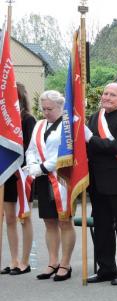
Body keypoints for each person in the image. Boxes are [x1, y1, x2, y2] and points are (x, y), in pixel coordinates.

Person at [85, 83, 117, 285]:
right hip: (97, 181)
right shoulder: (94, 117)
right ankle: (106, 269)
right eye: (105, 93)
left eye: (112, 95)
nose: (106, 97)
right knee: (102, 227)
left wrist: (91, 139)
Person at [25, 90, 75, 281]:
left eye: (50, 109)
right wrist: (32, 164)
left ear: (60, 106)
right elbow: (31, 149)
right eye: (43, 109)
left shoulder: (67, 125)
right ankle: (52, 261)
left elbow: (66, 153)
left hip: (61, 179)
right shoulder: (39, 125)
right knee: (49, 221)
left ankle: (65, 263)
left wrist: (42, 167)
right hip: (43, 178)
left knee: (64, 221)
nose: (46, 112)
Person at [1, 82, 36, 276]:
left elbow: (31, 148)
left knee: (24, 218)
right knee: (9, 219)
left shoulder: (28, 119)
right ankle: (13, 260)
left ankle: (25, 261)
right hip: (6, 174)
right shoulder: (3, 120)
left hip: (22, 175)